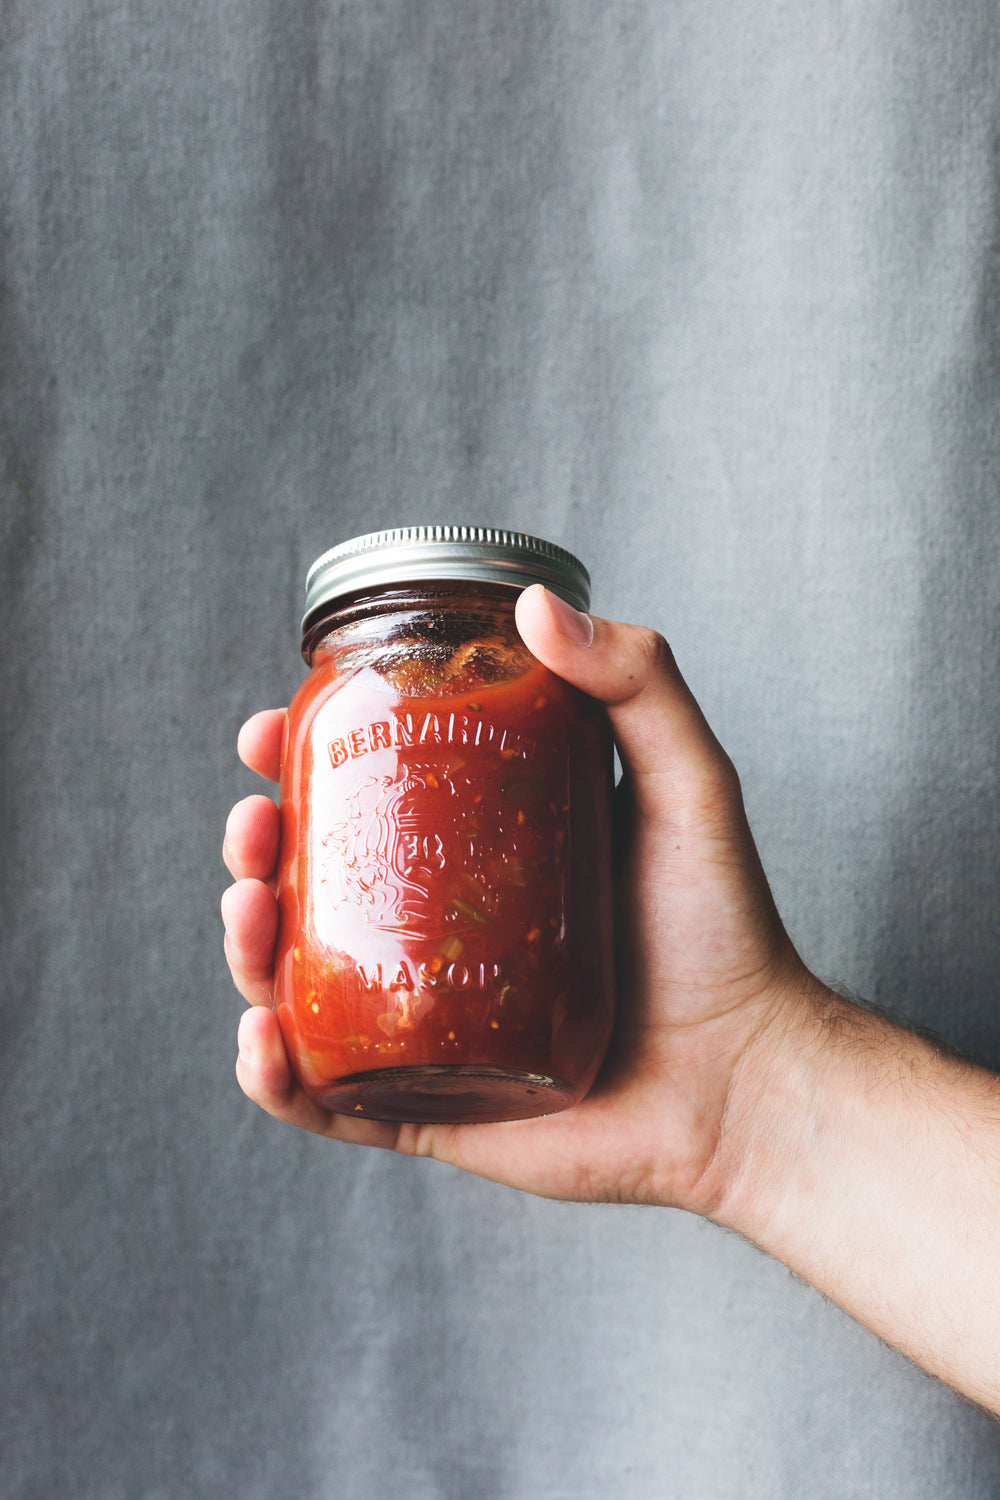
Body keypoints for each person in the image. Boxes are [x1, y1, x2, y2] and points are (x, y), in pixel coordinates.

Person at [221, 582, 1000, 1414]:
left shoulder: (523, 701)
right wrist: (747, 1097)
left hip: (544, 1046)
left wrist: (746, 1079)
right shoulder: (332, 699)